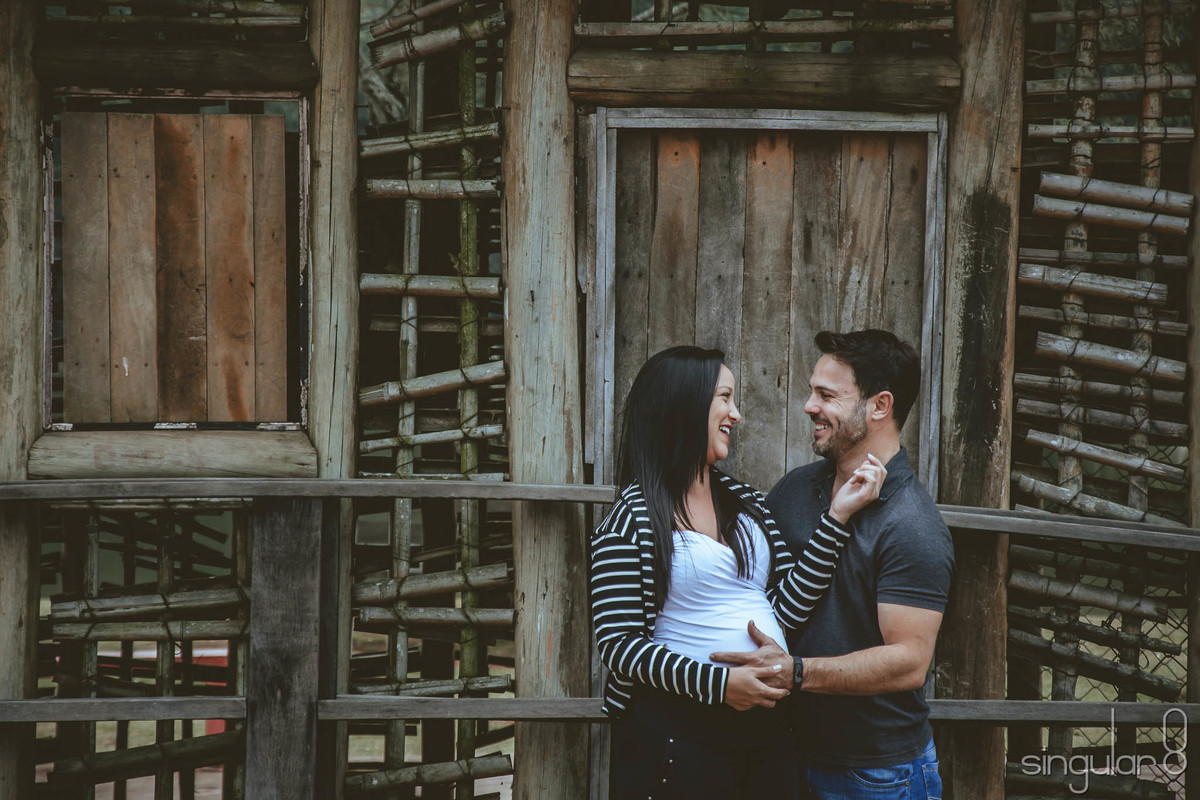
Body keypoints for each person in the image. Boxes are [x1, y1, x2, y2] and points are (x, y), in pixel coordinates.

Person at [589, 345, 885, 800]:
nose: (736, 414)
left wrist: (838, 517)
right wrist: (719, 684)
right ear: (684, 404)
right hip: (677, 737)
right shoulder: (631, 517)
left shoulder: (746, 503)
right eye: (724, 398)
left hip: (764, 734)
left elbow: (782, 608)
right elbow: (619, 645)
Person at [713, 329, 954, 800]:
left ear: (879, 405)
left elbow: (909, 662)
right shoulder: (795, 490)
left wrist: (796, 672)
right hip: (784, 758)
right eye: (811, 391)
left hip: (876, 774)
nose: (808, 406)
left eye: (826, 395)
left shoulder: (912, 524)